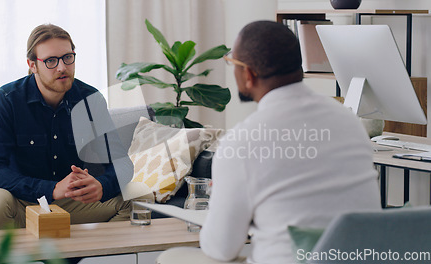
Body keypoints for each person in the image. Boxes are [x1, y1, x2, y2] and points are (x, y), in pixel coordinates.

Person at [157, 21, 381, 263]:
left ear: (249, 74)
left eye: (233, 63)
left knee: (173, 257)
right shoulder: (348, 121)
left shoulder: (241, 142)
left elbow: (221, 248)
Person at [0, 24, 130, 231]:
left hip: (71, 203)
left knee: (138, 196)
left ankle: (93, 257)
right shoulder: (8, 99)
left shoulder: (90, 100)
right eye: (50, 61)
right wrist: (52, 188)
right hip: (22, 203)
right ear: (32, 65)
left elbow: (122, 164)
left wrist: (103, 186)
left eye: (68, 57)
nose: (62, 67)